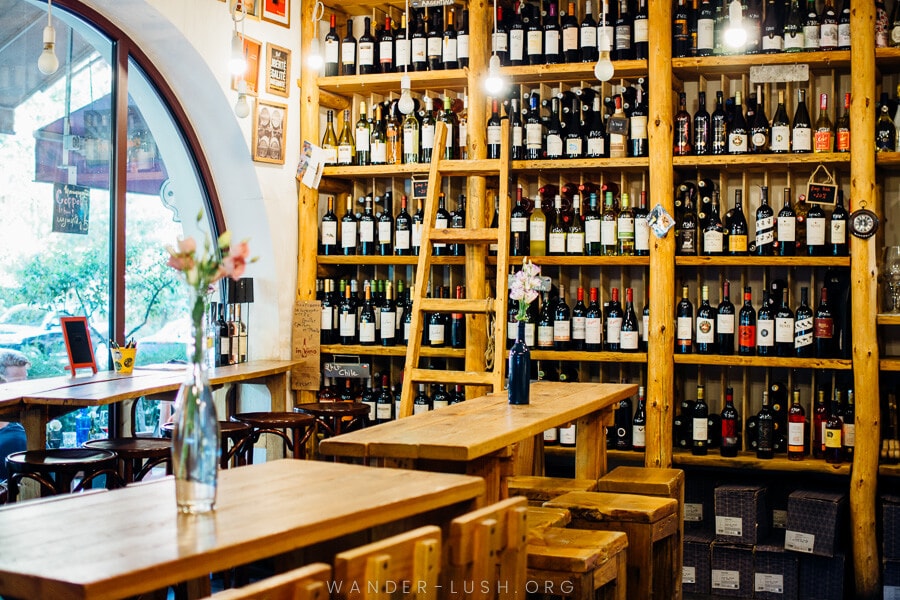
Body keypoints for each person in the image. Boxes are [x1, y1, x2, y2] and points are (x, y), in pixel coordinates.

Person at [0, 349, 30, 481]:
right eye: (16, 383)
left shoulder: (22, 423)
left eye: (25, 382)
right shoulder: (16, 436)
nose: (21, 388)